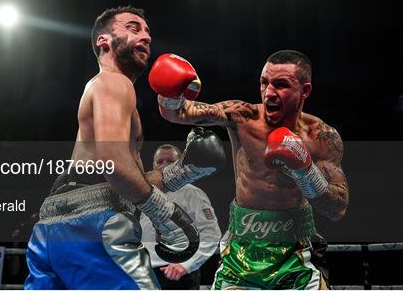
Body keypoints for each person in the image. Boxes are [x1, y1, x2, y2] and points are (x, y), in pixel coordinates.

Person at [24, 6, 225, 290]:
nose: (145, 37)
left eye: (147, 32)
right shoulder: (114, 82)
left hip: (51, 229)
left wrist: (183, 172)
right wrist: (165, 215)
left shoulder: (104, 88)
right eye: (133, 28)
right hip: (95, 227)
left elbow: (117, 175)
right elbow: (114, 165)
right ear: (103, 41)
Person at [149, 50, 350, 289]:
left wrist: (305, 170)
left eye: (281, 84)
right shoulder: (243, 116)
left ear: (304, 90)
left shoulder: (321, 136)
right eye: (264, 83)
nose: (269, 92)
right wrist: (169, 92)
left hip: (295, 255)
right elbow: (179, 113)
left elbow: (337, 208)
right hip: (240, 253)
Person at [141, 144, 222, 289]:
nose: (164, 166)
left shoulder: (192, 193)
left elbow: (212, 234)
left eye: (170, 161)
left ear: (180, 165)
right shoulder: (144, 196)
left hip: (180, 274)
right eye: (160, 162)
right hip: (147, 272)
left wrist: (186, 265)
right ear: (153, 166)